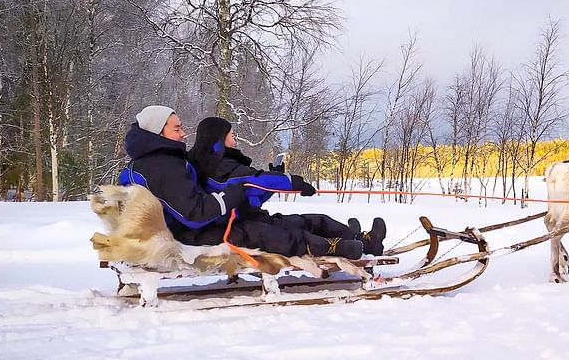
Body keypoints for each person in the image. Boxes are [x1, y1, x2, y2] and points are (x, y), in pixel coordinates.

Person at [118, 105, 365, 259]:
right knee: (260, 232)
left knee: (271, 223)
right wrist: (232, 195)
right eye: (177, 129)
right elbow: (194, 213)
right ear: (157, 132)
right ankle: (334, 247)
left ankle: (352, 240)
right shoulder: (161, 166)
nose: (183, 134)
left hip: (184, 229)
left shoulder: (160, 162)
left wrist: (238, 196)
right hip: (182, 236)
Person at [187, 116, 386, 255]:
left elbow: (251, 195)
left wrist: (276, 178)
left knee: (313, 220)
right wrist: (292, 183)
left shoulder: (221, 163)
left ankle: (362, 238)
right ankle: (348, 245)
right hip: (242, 226)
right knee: (298, 234)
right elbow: (253, 181)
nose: (235, 139)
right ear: (218, 140)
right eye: (231, 135)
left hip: (253, 217)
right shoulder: (216, 167)